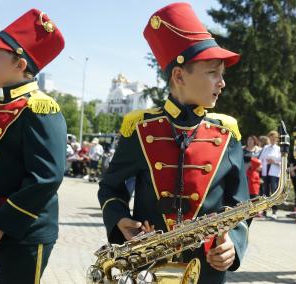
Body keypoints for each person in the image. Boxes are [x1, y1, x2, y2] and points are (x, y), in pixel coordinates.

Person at [97, 3, 249, 284]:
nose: (222, 83)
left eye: (222, 75)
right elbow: (110, 187)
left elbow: (239, 204)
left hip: (207, 268)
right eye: (213, 73)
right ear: (179, 76)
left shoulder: (227, 133)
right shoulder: (140, 129)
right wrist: (120, 220)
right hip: (148, 267)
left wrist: (233, 245)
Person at [0, 9, 66, 283]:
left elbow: (46, 177)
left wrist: (1, 222)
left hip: (22, 231)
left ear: (20, 65)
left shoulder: (39, 108)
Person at [259, 130, 281, 219]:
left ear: (277, 139)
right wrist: (260, 165)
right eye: (270, 138)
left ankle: (274, 211)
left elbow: (282, 161)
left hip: (274, 172)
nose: (272, 140)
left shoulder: (279, 149)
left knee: (274, 191)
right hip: (265, 171)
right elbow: (260, 159)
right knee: (265, 192)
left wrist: (274, 161)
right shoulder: (266, 148)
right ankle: (264, 211)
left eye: (274, 138)